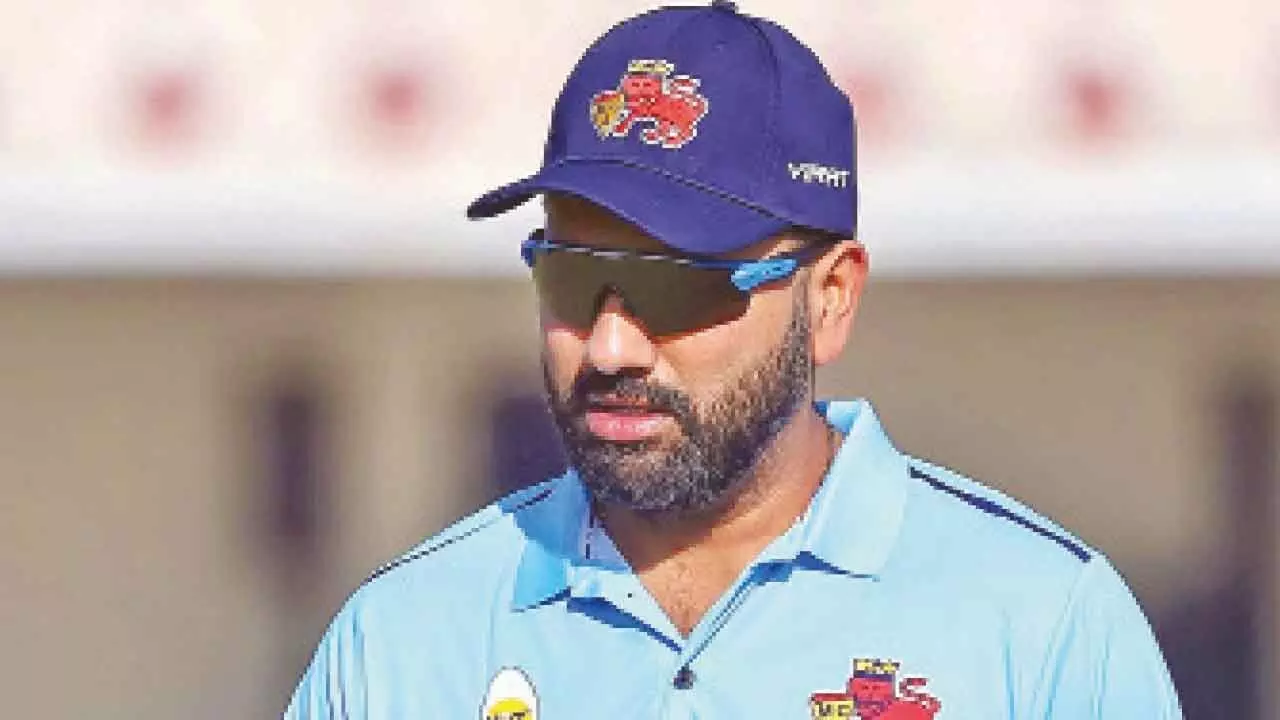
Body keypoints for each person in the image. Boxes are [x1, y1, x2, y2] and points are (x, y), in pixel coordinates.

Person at [286, 2, 1183, 718]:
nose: (611, 347)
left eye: (677, 286)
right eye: (572, 277)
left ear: (830, 298)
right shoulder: (398, 644)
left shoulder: (1046, 628)